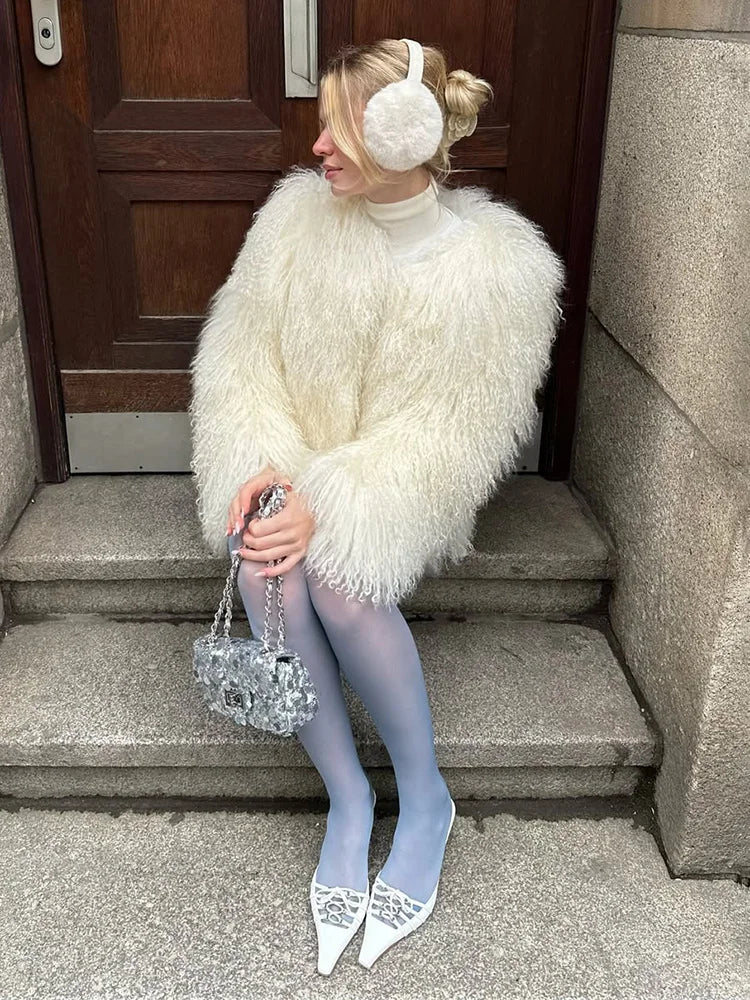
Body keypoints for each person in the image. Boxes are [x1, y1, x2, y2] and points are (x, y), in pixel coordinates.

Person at [188, 38, 565, 975]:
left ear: (404, 134)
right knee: (264, 565)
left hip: (402, 488)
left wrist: (331, 502)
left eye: (340, 129)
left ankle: (426, 798)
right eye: (321, 126)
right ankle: (349, 798)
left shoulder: (498, 271)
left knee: (345, 585)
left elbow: (454, 439)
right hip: (299, 463)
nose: (317, 148)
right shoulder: (293, 222)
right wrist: (262, 467)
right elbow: (241, 358)